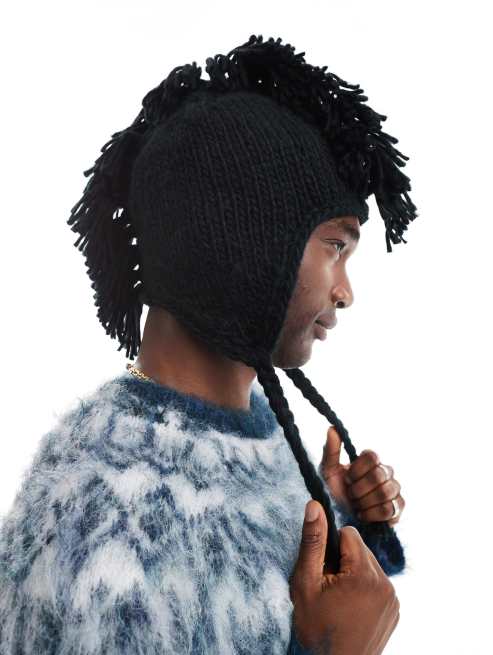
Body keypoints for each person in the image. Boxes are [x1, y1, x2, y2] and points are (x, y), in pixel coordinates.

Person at [0, 34, 417, 653]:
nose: (345, 291)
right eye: (335, 246)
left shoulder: (241, 432)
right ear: (249, 244)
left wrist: (333, 520)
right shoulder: (117, 539)